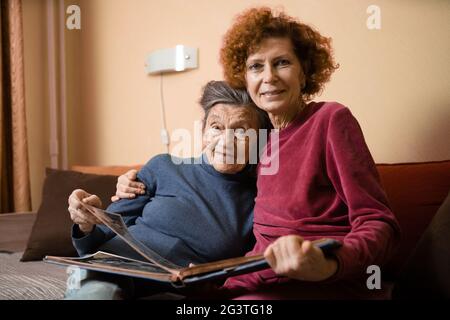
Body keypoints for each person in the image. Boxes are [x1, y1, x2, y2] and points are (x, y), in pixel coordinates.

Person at [116, 7, 401, 299]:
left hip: (325, 283)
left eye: (282, 62)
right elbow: (260, 243)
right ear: (245, 78)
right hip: (259, 287)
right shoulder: (258, 144)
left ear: (304, 71)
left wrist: (329, 264)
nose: (269, 77)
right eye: (255, 66)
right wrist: (134, 181)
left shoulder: (330, 120)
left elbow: (379, 223)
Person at [65, 80, 272, 299]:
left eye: (241, 131)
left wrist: (209, 283)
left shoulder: (259, 200)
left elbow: (247, 269)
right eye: (216, 127)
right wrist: (86, 223)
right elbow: (95, 245)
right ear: (203, 132)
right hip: (111, 275)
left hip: (175, 291)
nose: (226, 141)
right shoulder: (163, 167)